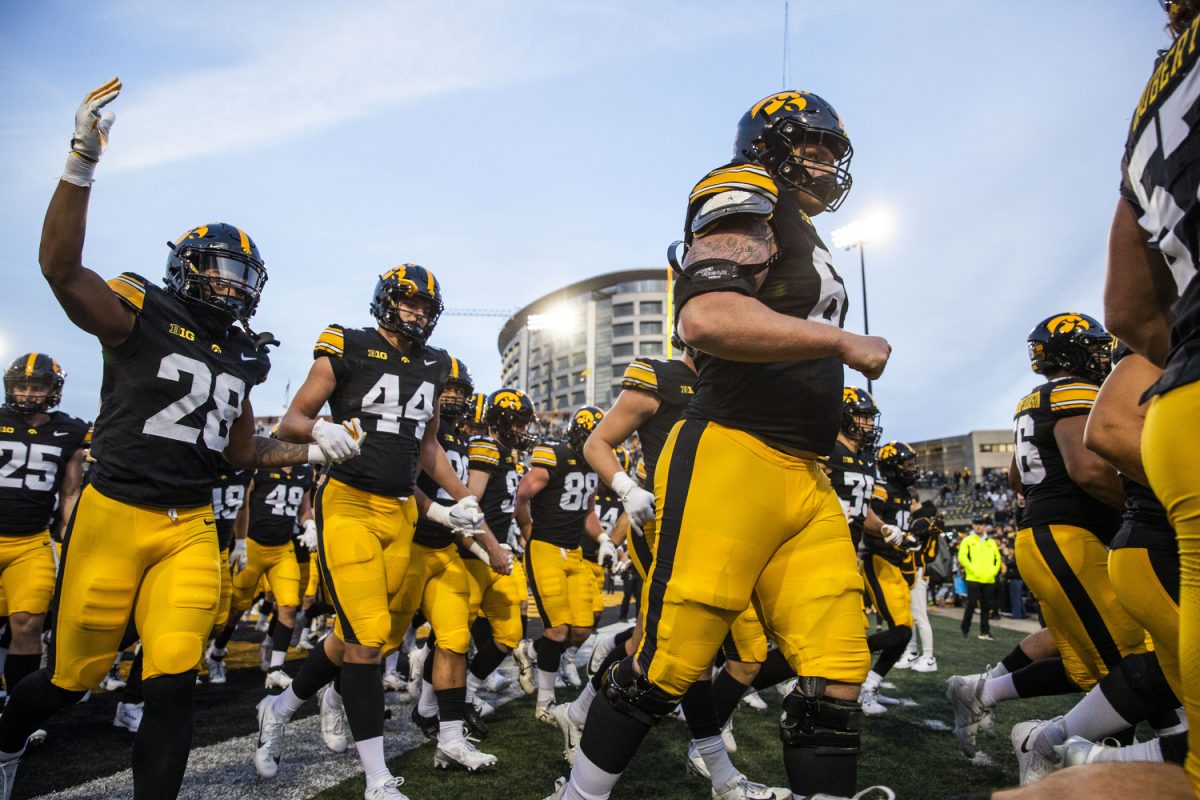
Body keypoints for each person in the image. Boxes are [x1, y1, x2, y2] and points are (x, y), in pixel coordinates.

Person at [0, 79, 359, 800]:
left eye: (242, 276)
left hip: (190, 527)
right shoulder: (144, 306)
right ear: (187, 267)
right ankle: (7, 738)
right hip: (114, 512)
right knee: (70, 678)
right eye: (222, 270)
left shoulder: (243, 353)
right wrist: (80, 164)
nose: (232, 286)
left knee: (170, 684)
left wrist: (315, 446)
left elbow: (243, 453)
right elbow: (61, 270)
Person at [548, 89, 890, 800]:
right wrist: (841, 339)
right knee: (668, 660)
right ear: (768, 144)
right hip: (732, 453)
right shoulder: (744, 190)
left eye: (833, 148)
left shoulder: (806, 231)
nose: (826, 161)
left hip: (805, 471)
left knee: (837, 665)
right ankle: (578, 795)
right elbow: (705, 317)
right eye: (813, 144)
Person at [252, 264, 483, 800]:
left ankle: (280, 707)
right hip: (349, 502)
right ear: (385, 300)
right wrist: (319, 427)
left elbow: (427, 447)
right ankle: (378, 780)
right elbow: (291, 421)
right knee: (370, 638)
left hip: (401, 510)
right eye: (409, 302)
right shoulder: (347, 344)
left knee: (358, 632)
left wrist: (456, 501)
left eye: (427, 306)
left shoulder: (435, 362)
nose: (418, 312)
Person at [947, 313, 1142, 760]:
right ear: (1070, 351)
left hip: (1045, 535)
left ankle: (992, 698)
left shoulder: (1032, 400)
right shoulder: (1076, 391)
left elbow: (1018, 476)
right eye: (1092, 345)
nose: (1101, 354)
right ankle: (1088, 764)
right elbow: (1088, 469)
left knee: (1087, 668)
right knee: (1126, 665)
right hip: (1068, 536)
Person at [515, 406, 613, 724]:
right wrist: (527, 528)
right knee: (557, 630)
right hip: (545, 548)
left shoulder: (595, 466)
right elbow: (521, 494)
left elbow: (587, 512)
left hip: (573, 552)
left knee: (581, 628)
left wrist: (604, 540)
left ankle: (530, 652)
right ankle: (544, 702)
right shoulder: (554, 456)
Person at [0, 355, 87, 699]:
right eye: (21, 386)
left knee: (29, 623)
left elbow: (69, 493)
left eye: (36, 387)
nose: (27, 393)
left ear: (52, 390)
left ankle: (17, 708)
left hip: (32, 541)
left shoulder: (69, 431)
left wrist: (70, 539)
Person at [959, 518, 1003, 640]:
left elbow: (998, 558)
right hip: (973, 577)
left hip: (988, 578)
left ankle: (985, 632)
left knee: (986, 606)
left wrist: (993, 571)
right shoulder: (967, 540)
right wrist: (972, 569)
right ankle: (965, 629)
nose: (978, 527)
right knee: (971, 604)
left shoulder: (991, 542)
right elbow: (962, 557)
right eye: (976, 524)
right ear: (973, 525)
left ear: (984, 526)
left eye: (981, 524)